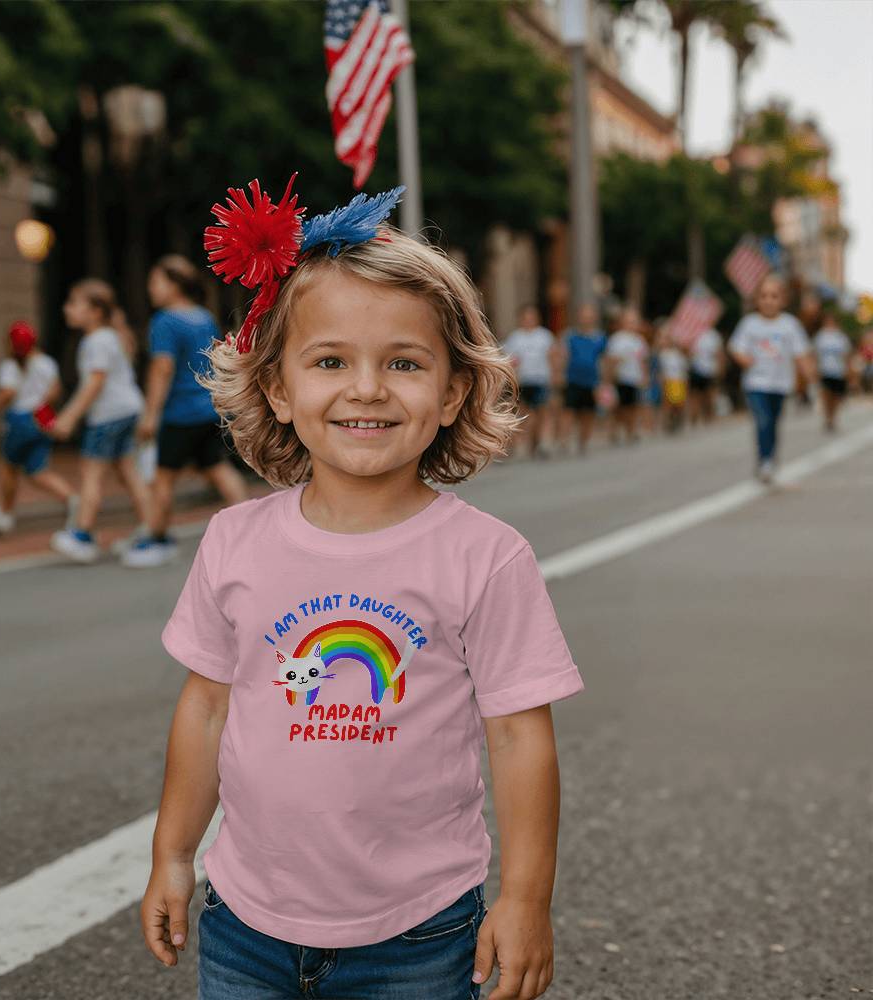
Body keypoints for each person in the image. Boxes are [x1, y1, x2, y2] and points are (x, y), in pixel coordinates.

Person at [140, 178, 585, 1000]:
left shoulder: (485, 557)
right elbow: (206, 706)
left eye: (405, 363)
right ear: (278, 386)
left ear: (454, 392)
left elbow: (522, 739)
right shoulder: (234, 540)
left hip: (417, 932)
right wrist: (172, 853)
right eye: (331, 361)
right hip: (245, 921)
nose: (368, 388)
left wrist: (525, 899)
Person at [122, 256, 250, 568]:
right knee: (219, 470)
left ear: (174, 285)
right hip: (208, 408)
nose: (151, 289)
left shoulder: (165, 321)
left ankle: (157, 538)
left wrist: (151, 414)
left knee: (162, 479)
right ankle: (252, 531)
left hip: (179, 414)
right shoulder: (203, 317)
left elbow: (162, 369)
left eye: (156, 282)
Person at [49, 279, 152, 563]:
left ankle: (81, 534)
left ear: (94, 311)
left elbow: (95, 383)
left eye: (73, 303)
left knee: (91, 474)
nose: (66, 309)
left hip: (108, 415)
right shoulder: (109, 337)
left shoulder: (96, 341)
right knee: (128, 472)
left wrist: (68, 416)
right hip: (127, 410)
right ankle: (149, 529)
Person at [0, 321, 76, 535]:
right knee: (38, 471)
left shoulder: (10, 365)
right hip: (42, 418)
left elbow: (7, 393)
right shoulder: (47, 363)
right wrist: (42, 407)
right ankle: (73, 499)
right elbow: (55, 391)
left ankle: (6, 514)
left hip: (20, 420)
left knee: (10, 468)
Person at [728, 275, 814, 483]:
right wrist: (744, 359)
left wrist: (809, 375)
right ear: (757, 300)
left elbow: (801, 353)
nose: (768, 300)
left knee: (773, 422)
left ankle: (769, 456)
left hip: (780, 384)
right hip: (756, 383)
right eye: (764, 296)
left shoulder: (790, 325)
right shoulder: (749, 324)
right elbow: (735, 346)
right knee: (763, 420)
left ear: (783, 300)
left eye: (774, 296)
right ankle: (765, 460)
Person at [502, 304, 556, 458]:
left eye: (531, 317)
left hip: (540, 379)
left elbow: (552, 357)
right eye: (526, 317)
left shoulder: (544, 336)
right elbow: (510, 361)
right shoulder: (515, 338)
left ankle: (538, 443)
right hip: (523, 381)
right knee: (521, 414)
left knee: (541, 413)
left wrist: (553, 376)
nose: (529, 320)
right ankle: (514, 444)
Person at [557, 302, 607, 456]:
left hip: (592, 381)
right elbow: (563, 355)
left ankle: (583, 441)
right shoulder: (570, 335)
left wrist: (604, 381)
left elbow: (603, 360)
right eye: (584, 316)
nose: (586, 319)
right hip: (572, 378)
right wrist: (559, 373)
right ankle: (564, 441)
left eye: (589, 316)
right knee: (568, 410)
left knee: (588, 412)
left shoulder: (599, 337)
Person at [604, 305, 648, 445]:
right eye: (629, 321)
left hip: (634, 378)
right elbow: (610, 360)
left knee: (632, 407)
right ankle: (614, 431)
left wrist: (644, 376)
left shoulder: (640, 341)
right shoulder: (617, 339)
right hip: (620, 378)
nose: (632, 324)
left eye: (634, 321)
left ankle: (631, 431)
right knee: (618, 407)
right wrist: (609, 378)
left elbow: (643, 361)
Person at [813, 310, 853, 433]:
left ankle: (833, 416)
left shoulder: (840, 337)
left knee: (836, 397)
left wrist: (848, 369)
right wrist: (815, 369)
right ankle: (828, 418)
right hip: (825, 370)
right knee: (826, 395)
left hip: (838, 371)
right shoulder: (820, 336)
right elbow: (815, 354)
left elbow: (846, 354)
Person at [687, 325, 725, 426]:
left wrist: (720, 368)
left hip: (710, 370)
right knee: (695, 394)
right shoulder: (692, 332)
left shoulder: (713, 335)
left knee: (709, 395)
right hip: (695, 369)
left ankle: (709, 415)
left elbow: (719, 353)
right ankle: (694, 416)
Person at [658, 328, 690, 434]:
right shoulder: (663, 354)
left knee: (679, 404)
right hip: (669, 381)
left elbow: (684, 370)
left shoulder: (679, 355)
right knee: (668, 404)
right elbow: (661, 370)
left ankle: (678, 421)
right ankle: (667, 423)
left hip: (679, 381)